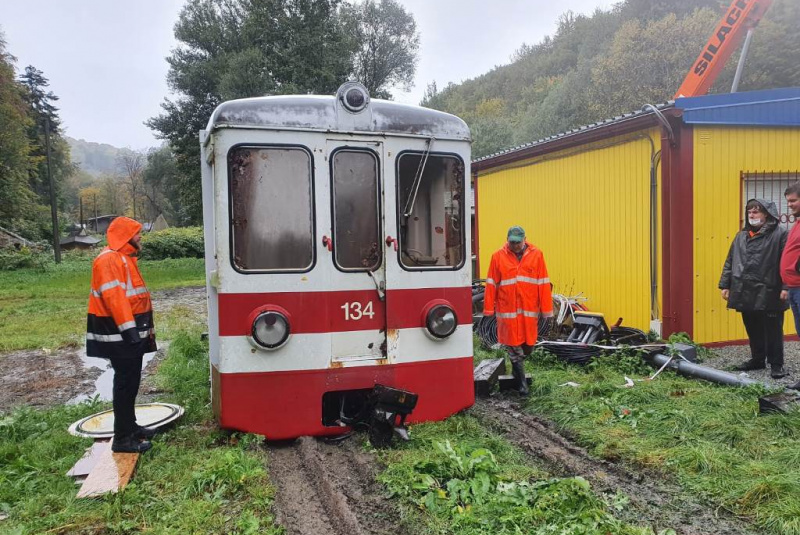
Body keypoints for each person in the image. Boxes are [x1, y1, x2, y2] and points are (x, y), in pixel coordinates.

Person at [86, 216, 157, 453]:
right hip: (120, 335)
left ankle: (131, 427)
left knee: (131, 381)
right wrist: (131, 333)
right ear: (126, 236)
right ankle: (122, 439)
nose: (140, 237)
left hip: (128, 334)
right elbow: (115, 299)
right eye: (136, 233)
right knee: (125, 383)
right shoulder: (109, 260)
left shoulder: (123, 258)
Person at [719, 199, 788, 379]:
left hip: (770, 290)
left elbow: (787, 263)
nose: (752, 215)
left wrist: (785, 287)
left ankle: (776, 364)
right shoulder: (740, 236)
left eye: (756, 211)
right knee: (752, 326)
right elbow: (730, 261)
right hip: (745, 289)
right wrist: (725, 285)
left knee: (773, 328)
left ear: (767, 214)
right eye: (749, 211)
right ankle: (757, 359)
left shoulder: (780, 234)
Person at [483, 225, 553, 396]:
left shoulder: (537, 255)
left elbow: (543, 283)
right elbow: (491, 284)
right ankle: (522, 385)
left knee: (528, 346)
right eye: (511, 242)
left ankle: (516, 372)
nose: (514, 245)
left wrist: (546, 311)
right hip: (507, 312)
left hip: (529, 313)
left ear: (524, 240)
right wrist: (488, 310)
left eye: (517, 242)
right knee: (514, 348)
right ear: (507, 240)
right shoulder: (497, 256)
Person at [781, 183, 800, 390]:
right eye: (788, 201)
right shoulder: (797, 223)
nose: (789, 205)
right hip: (794, 288)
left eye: (793, 201)